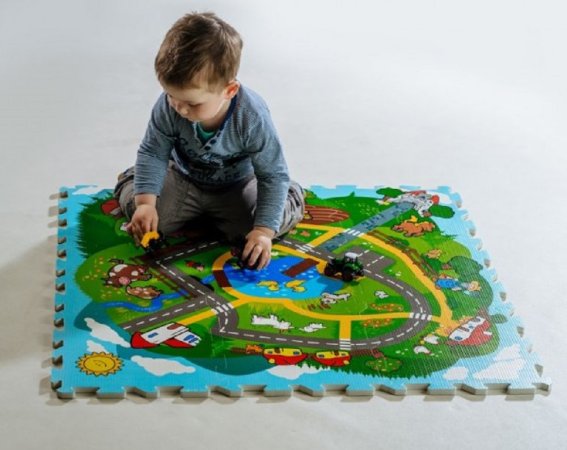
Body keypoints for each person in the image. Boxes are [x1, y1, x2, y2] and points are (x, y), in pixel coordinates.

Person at [114, 12, 305, 269]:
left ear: (229, 91)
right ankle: (134, 178)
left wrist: (263, 232)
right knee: (149, 218)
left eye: (192, 103)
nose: (179, 107)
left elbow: (271, 174)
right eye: (170, 95)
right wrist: (145, 203)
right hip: (184, 179)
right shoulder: (168, 106)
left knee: (254, 230)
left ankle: (291, 195)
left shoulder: (252, 118)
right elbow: (153, 152)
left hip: (237, 185)